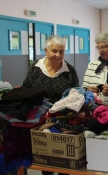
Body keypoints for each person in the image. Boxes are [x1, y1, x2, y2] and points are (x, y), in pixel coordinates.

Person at [22, 35, 78, 175]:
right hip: (40, 120)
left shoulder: (69, 71)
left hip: (63, 120)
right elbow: (26, 90)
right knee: (46, 162)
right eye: (54, 51)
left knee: (64, 163)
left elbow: (76, 95)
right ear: (46, 50)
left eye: (61, 51)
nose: (58, 55)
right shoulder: (35, 68)